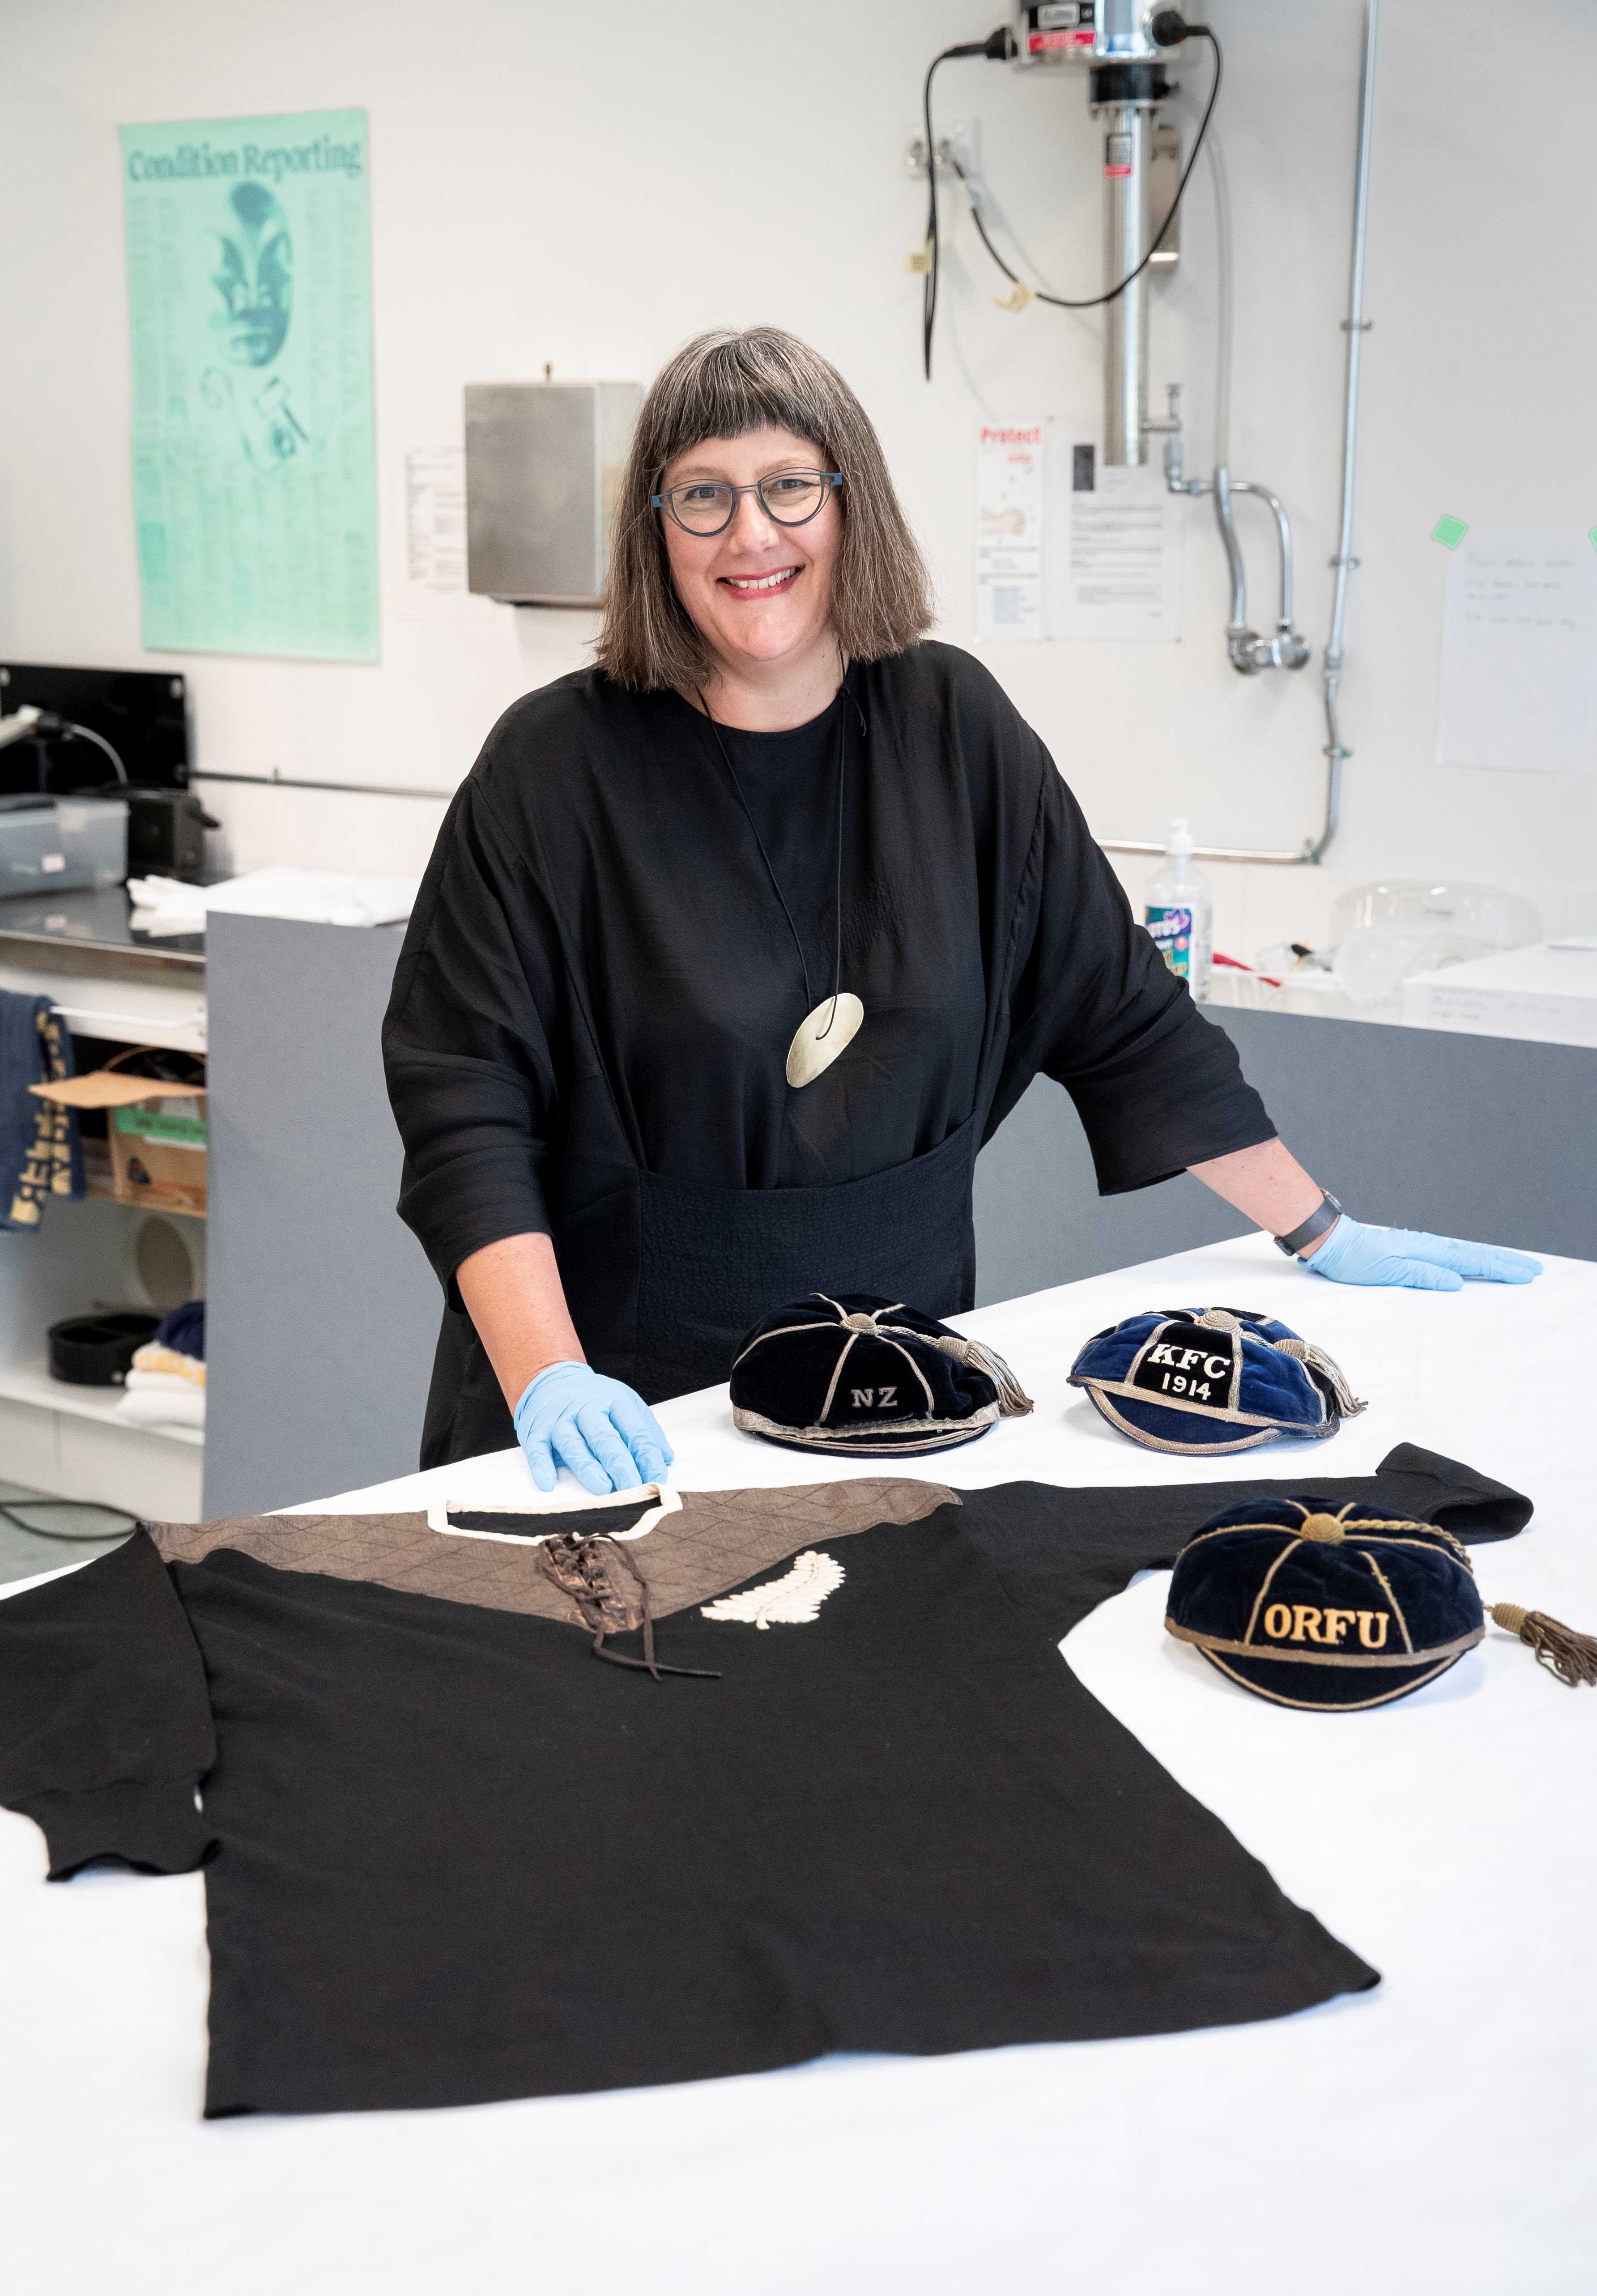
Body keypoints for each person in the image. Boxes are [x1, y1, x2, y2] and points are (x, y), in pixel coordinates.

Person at [383, 327, 1537, 1497]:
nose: (751, 533)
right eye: (702, 495)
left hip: (895, 1390)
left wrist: (1319, 1229)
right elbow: (464, 1101)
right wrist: (549, 1375)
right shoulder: (553, 767)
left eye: (789, 486)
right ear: (654, 527)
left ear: (853, 505)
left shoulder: (955, 727)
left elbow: (1121, 1006)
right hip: (626, 1398)